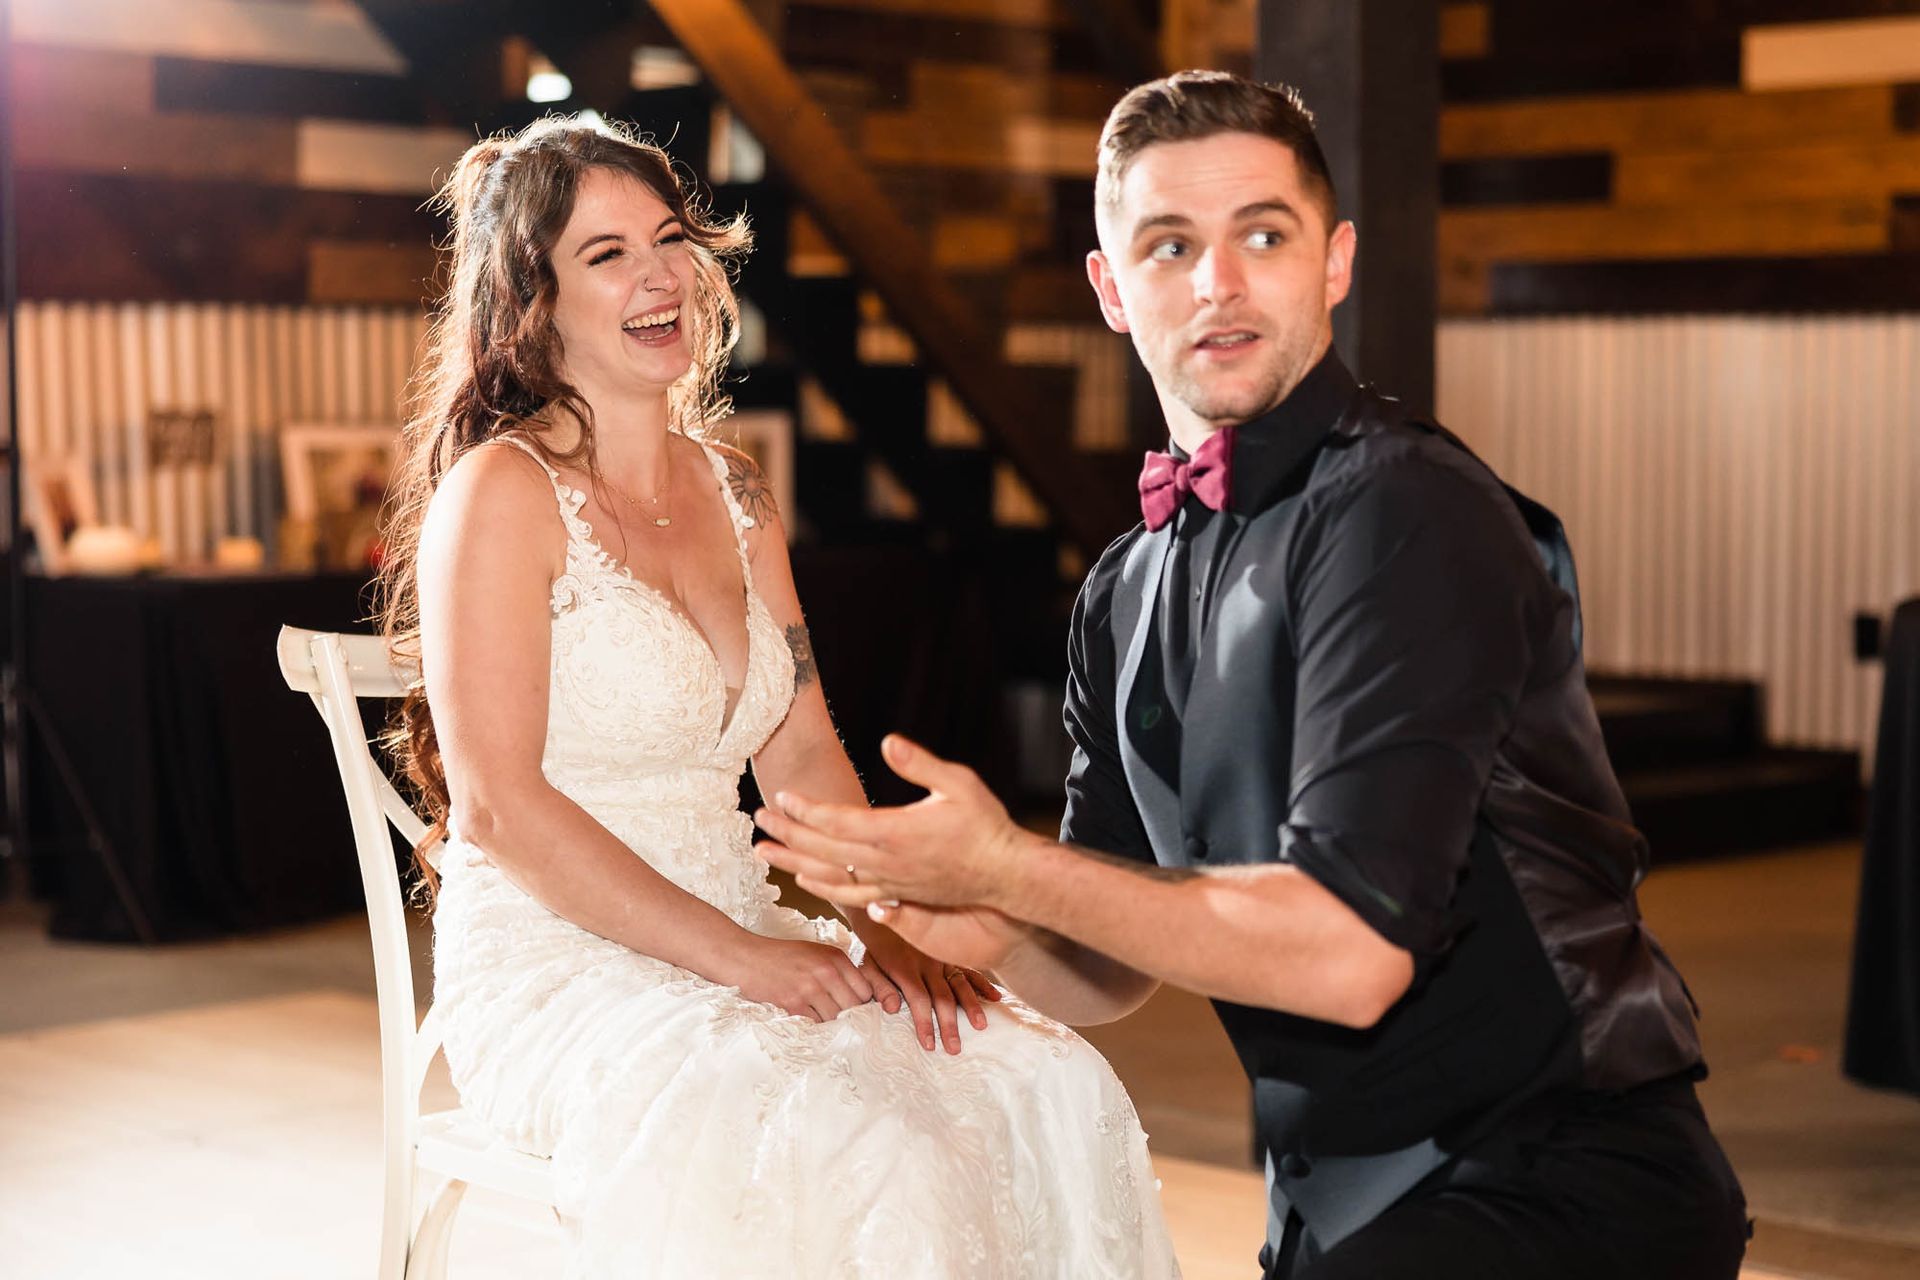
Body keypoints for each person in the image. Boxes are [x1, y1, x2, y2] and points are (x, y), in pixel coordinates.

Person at [757, 71, 1750, 1279]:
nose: (1217, 283)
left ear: (1331, 263)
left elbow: (1348, 950)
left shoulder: (1405, 509)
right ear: (1110, 289)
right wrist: (986, 926)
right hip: (1338, 1206)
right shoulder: (1122, 590)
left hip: (1557, 1178)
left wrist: (1014, 863)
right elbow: (1112, 963)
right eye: (1169, 246)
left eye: (1261, 236)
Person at [375, 115, 1178, 1277]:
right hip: (561, 962)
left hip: (744, 922)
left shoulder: (738, 494)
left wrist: (886, 927)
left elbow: (802, 755)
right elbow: (497, 806)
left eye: (667, 238)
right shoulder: (500, 494)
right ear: (531, 303)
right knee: (856, 1137)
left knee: (1043, 1074)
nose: (659, 275)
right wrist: (743, 963)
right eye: (605, 255)